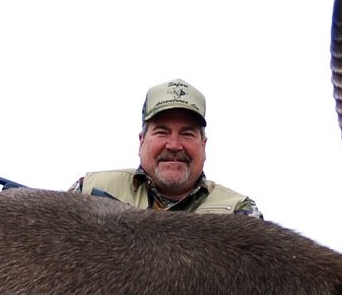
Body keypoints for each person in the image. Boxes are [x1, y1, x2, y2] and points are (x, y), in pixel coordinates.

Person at [69, 78, 261, 217]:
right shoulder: (87, 190)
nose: (174, 145)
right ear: (141, 141)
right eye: (162, 132)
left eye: (187, 134)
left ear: (204, 145)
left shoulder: (238, 211)